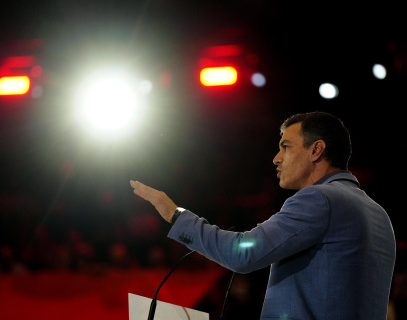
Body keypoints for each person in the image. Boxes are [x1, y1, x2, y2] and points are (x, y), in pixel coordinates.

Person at [130, 111, 396, 320]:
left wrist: (175, 214)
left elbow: (243, 253)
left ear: (316, 150)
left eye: (286, 147)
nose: (276, 159)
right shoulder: (378, 214)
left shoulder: (319, 199)